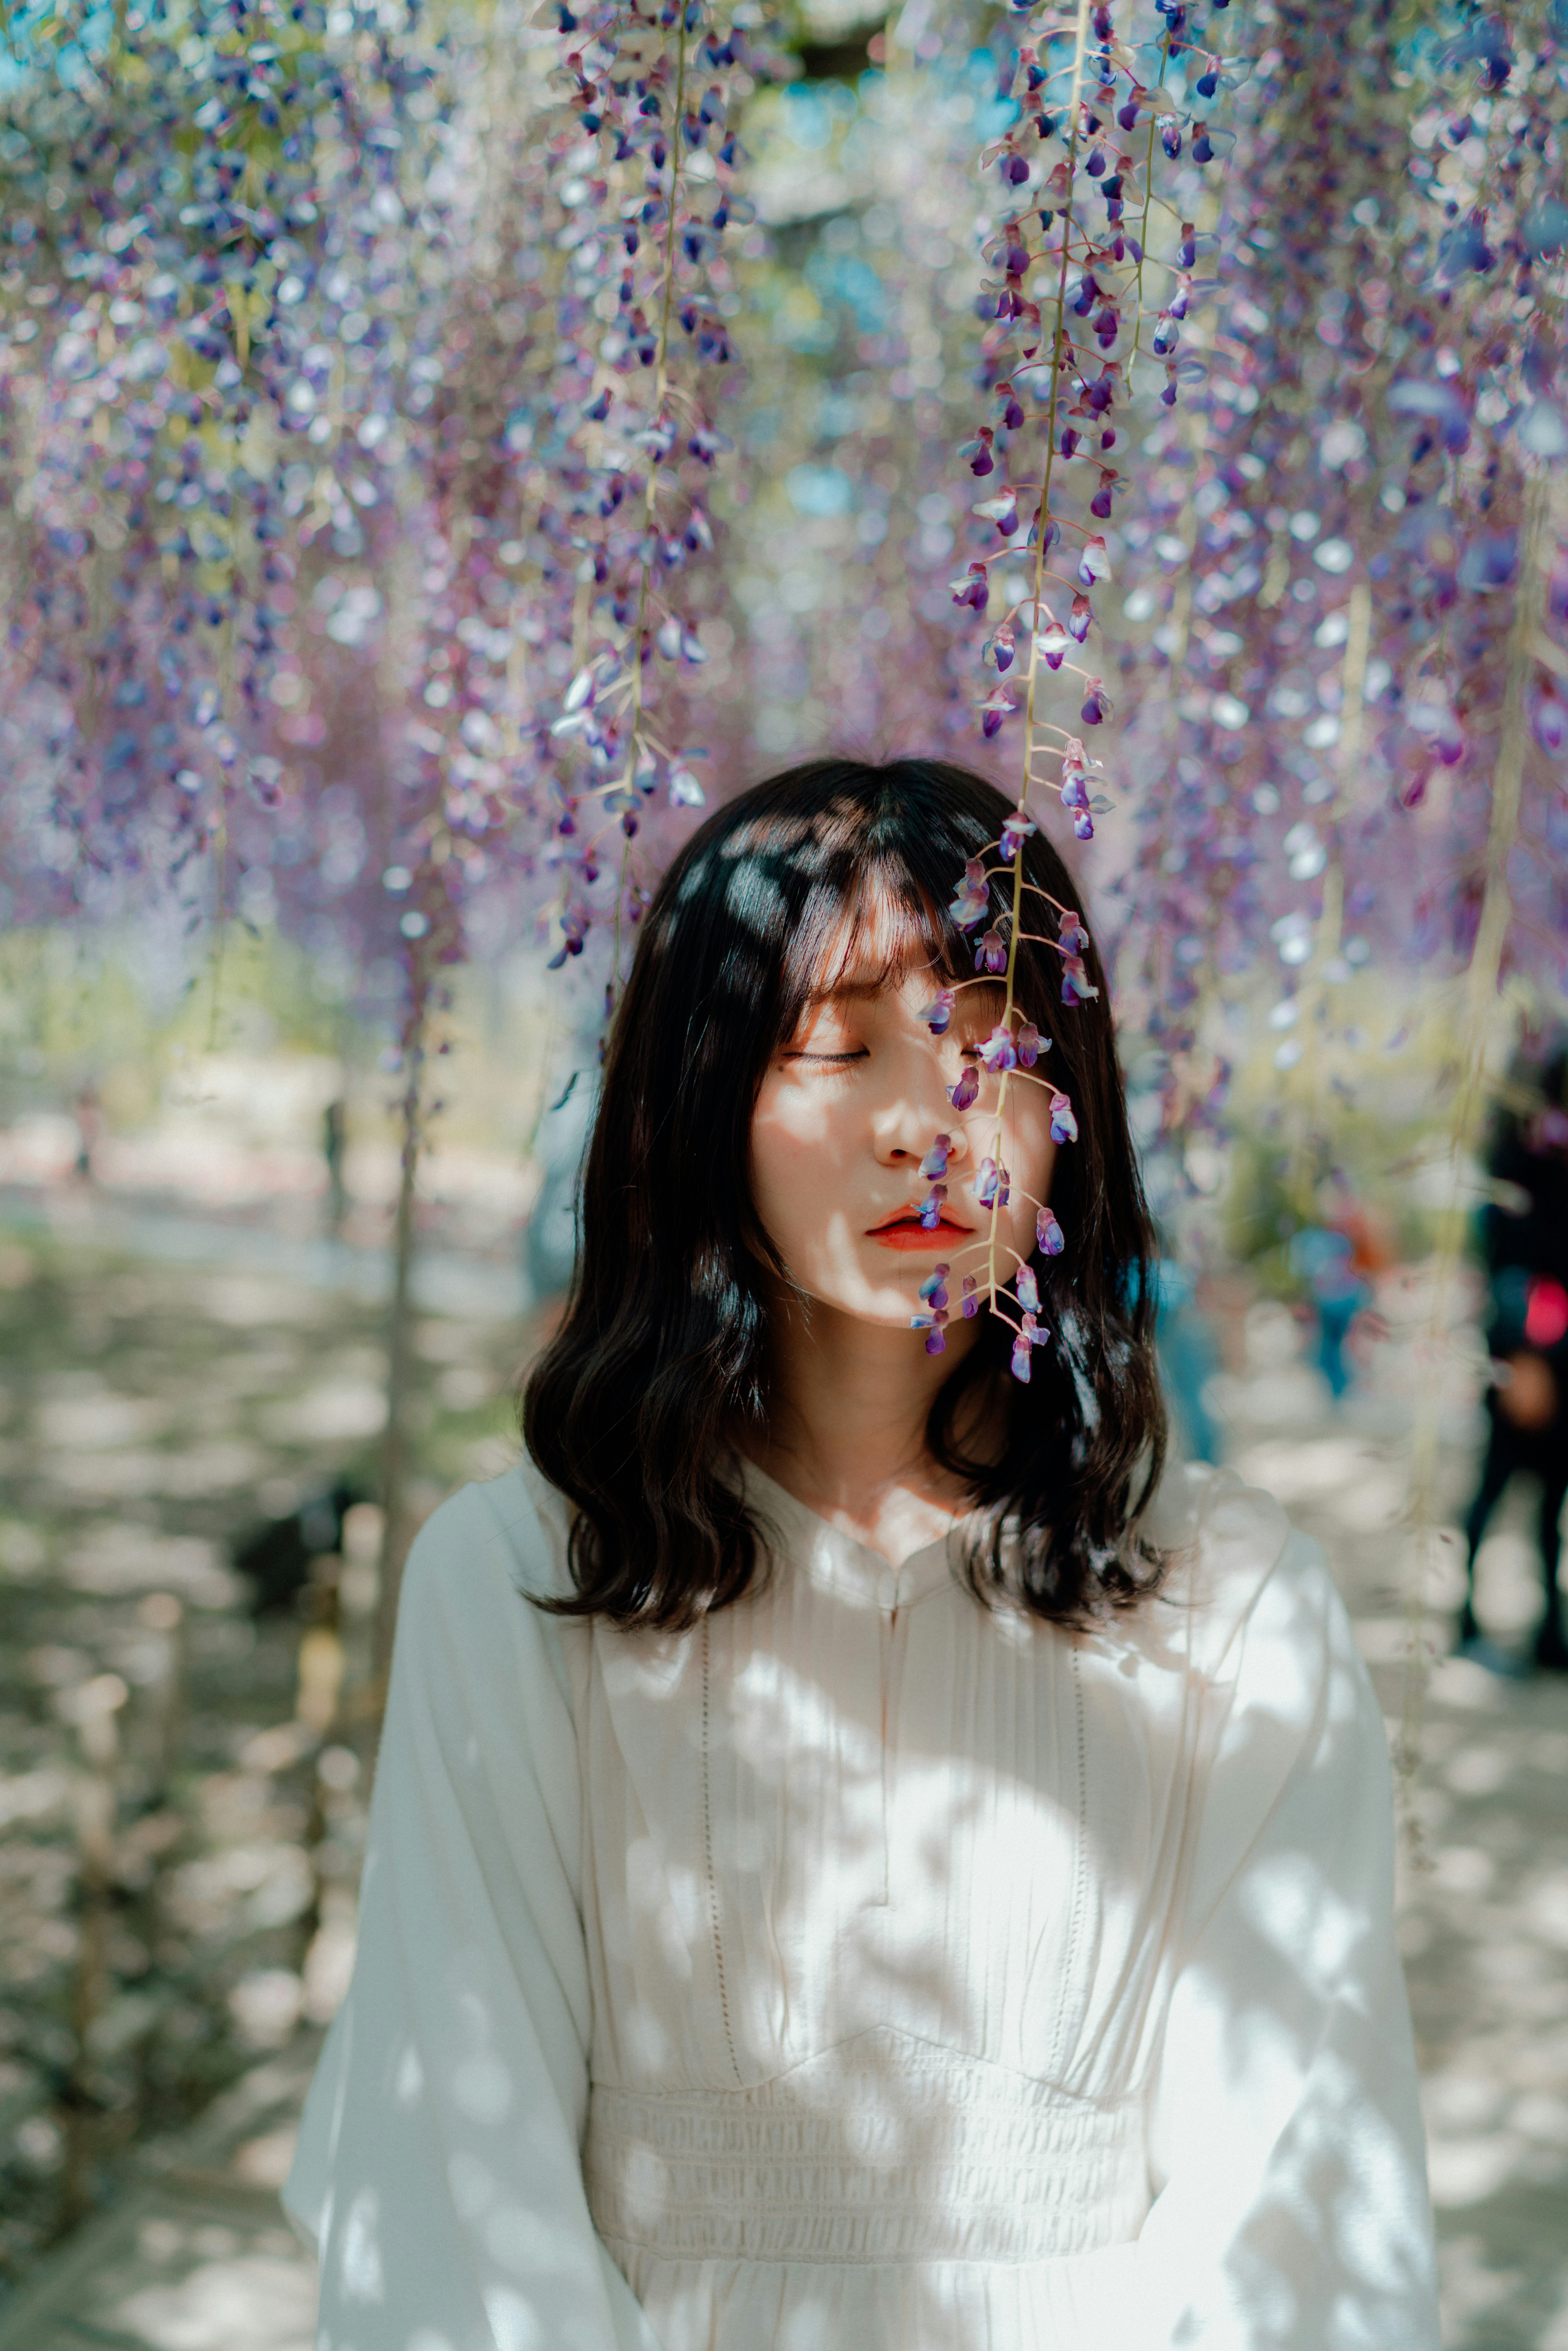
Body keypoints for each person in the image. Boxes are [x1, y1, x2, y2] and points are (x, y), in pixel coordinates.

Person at [284, 760, 1438, 2349]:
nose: (928, 1124)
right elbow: (453, 2173)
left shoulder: (1235, 1604)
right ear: (701, 1098)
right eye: (838, 1046)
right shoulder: (519, 1576)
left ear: (1070, 1101)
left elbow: (1301, 2190)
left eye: (989, 1048)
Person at [1456, 1046, 1568, 1674]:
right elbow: (1513, 1264)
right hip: (1527, 1357)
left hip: (1558, 1362)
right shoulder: (1522, 1161)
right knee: (1495, 1489)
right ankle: (1464, 1617)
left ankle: (1550, 1629)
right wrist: (1529, 1355)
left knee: (1553, 1505)